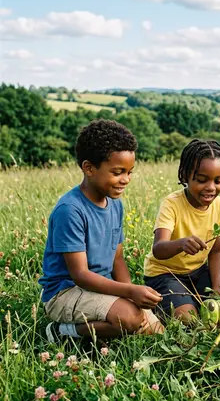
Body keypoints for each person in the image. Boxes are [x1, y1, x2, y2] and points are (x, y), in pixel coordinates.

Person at [40, 119, 163, 343]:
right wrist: (128, 294)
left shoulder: (115, 204)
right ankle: (62, 333)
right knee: (131, 319)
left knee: (155, 329)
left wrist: (132, 291)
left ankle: (111, 323)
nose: (125, 179)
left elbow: (117, 260)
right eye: (117, 172)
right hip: (66, 292)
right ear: (89, 168)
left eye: (129, 172)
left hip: (102, 286)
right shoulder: (70, 210)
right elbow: (81, 275)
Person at [144, 139, 220, 323]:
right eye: (201, 180)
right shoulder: (172, 203)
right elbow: (159, 248)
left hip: (198, 272)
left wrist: (217, 287)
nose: (211, 187)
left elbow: (216, 251)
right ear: (186, 176)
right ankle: (165, 302)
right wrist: (181, 244)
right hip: (164, 274)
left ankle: (191, 298)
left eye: (218, 181)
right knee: (189, 319)